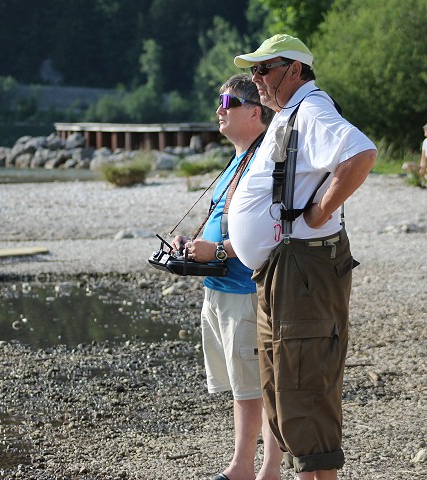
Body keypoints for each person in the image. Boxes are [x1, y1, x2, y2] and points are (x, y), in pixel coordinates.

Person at [227, 35, 377, 480]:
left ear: (295, 69)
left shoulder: (311, 109)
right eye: (253, 71)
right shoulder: (290, 113)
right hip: (283, 270)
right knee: (282, 391)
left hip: (304, 269)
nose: (256, 80)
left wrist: (319, 211)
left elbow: (361, 153)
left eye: (264, 69)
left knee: (305, 390)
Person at [171, 74, 282, 480]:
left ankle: (268, 471)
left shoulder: (264, 159)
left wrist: (217, 250)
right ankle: (240, 468)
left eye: (228, 102)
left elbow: (271, 230)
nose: (219, 109)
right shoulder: (239, 157)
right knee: (242, 387)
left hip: (244, 290)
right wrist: (195, 243)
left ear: (255, 112)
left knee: (264, 389)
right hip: (218, 289)